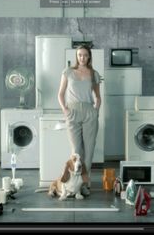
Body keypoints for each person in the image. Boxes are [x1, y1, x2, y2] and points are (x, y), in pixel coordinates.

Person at [57, 45, 101, 196]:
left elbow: (98, 96)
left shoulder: (94, 74)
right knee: (76, 152)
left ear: (89, 57)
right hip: (73, 111)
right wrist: (65, 110)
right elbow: (60, 94)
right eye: (79, 55)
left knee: (89, 152)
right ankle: (73, 183)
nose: (82, 58)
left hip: (90, 112)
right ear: (77, 56)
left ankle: (84, 185)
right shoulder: (68, 72)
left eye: (85, 55)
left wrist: (96, 110)